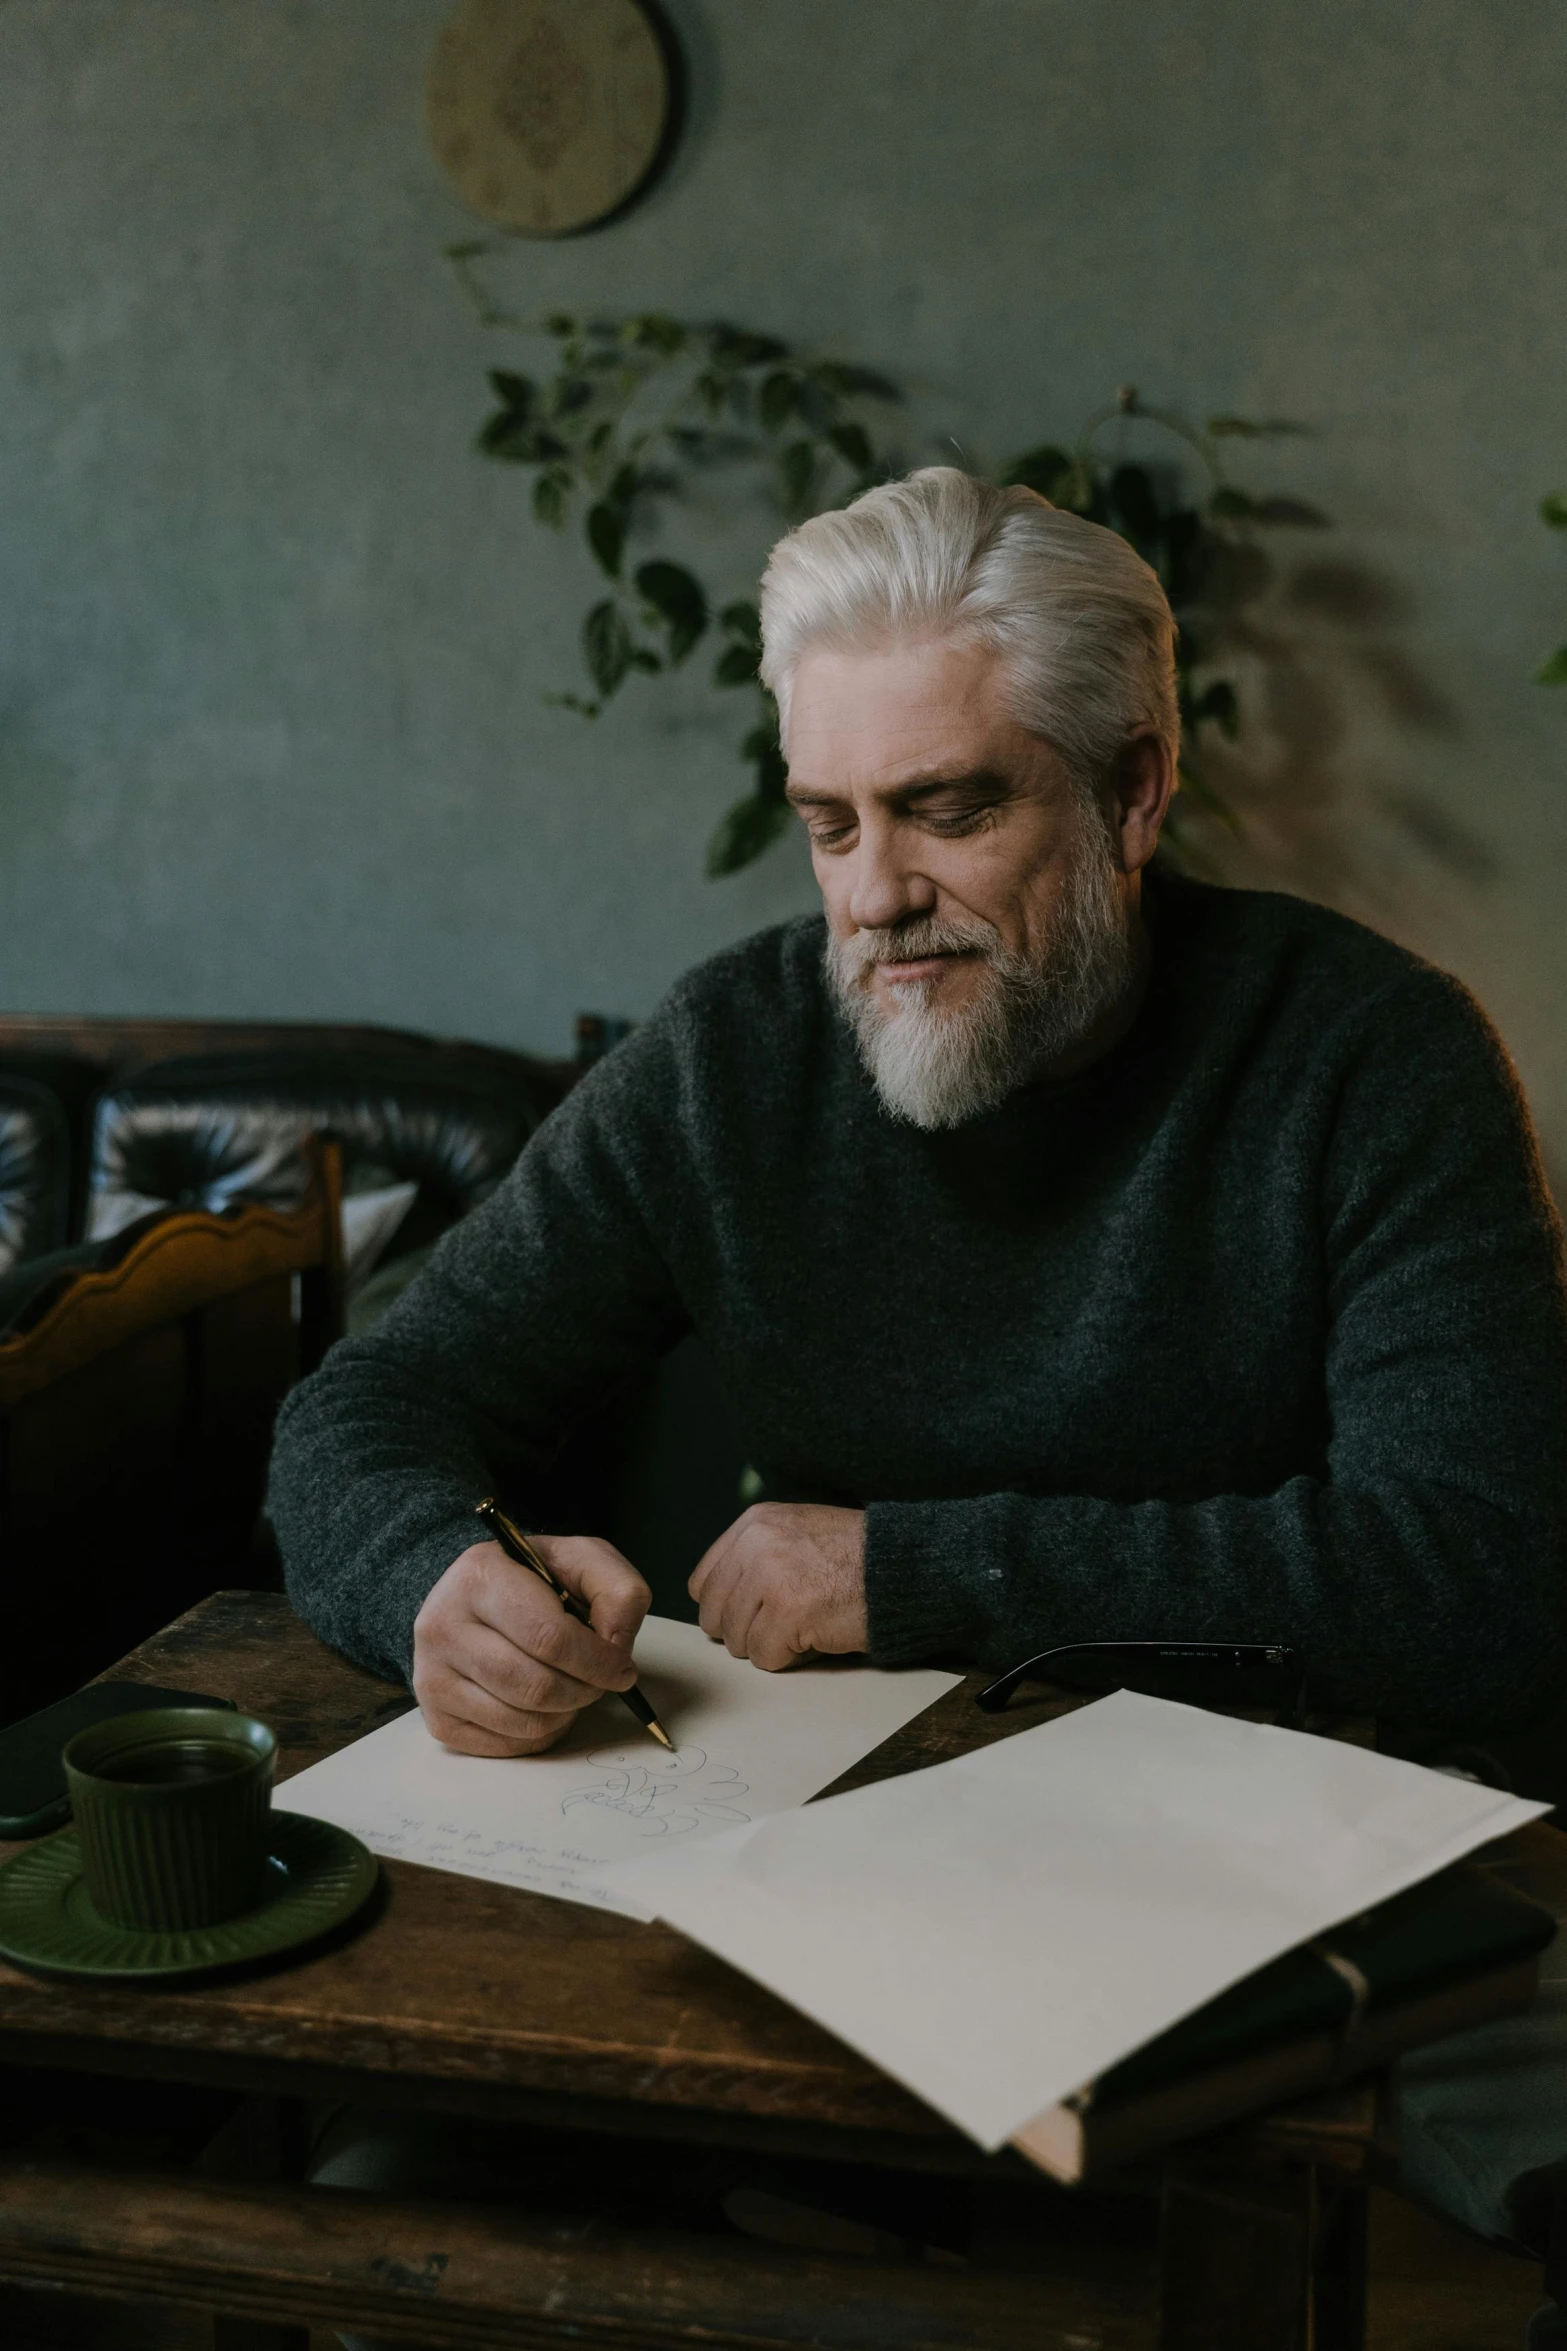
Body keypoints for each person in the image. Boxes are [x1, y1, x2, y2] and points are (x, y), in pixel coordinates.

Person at [270, 468, 1567, 2329]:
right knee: (395, 2199)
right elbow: (367, 1402)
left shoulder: (1370, 1056)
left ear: (1131, 790)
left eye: (948, 809)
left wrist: (916, 1572)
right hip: (839, 1867)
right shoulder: (732, 1054)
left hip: (1286, 1860)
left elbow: (1478, 1577)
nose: (874, 896)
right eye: (827, 821)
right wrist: (424, 1577)